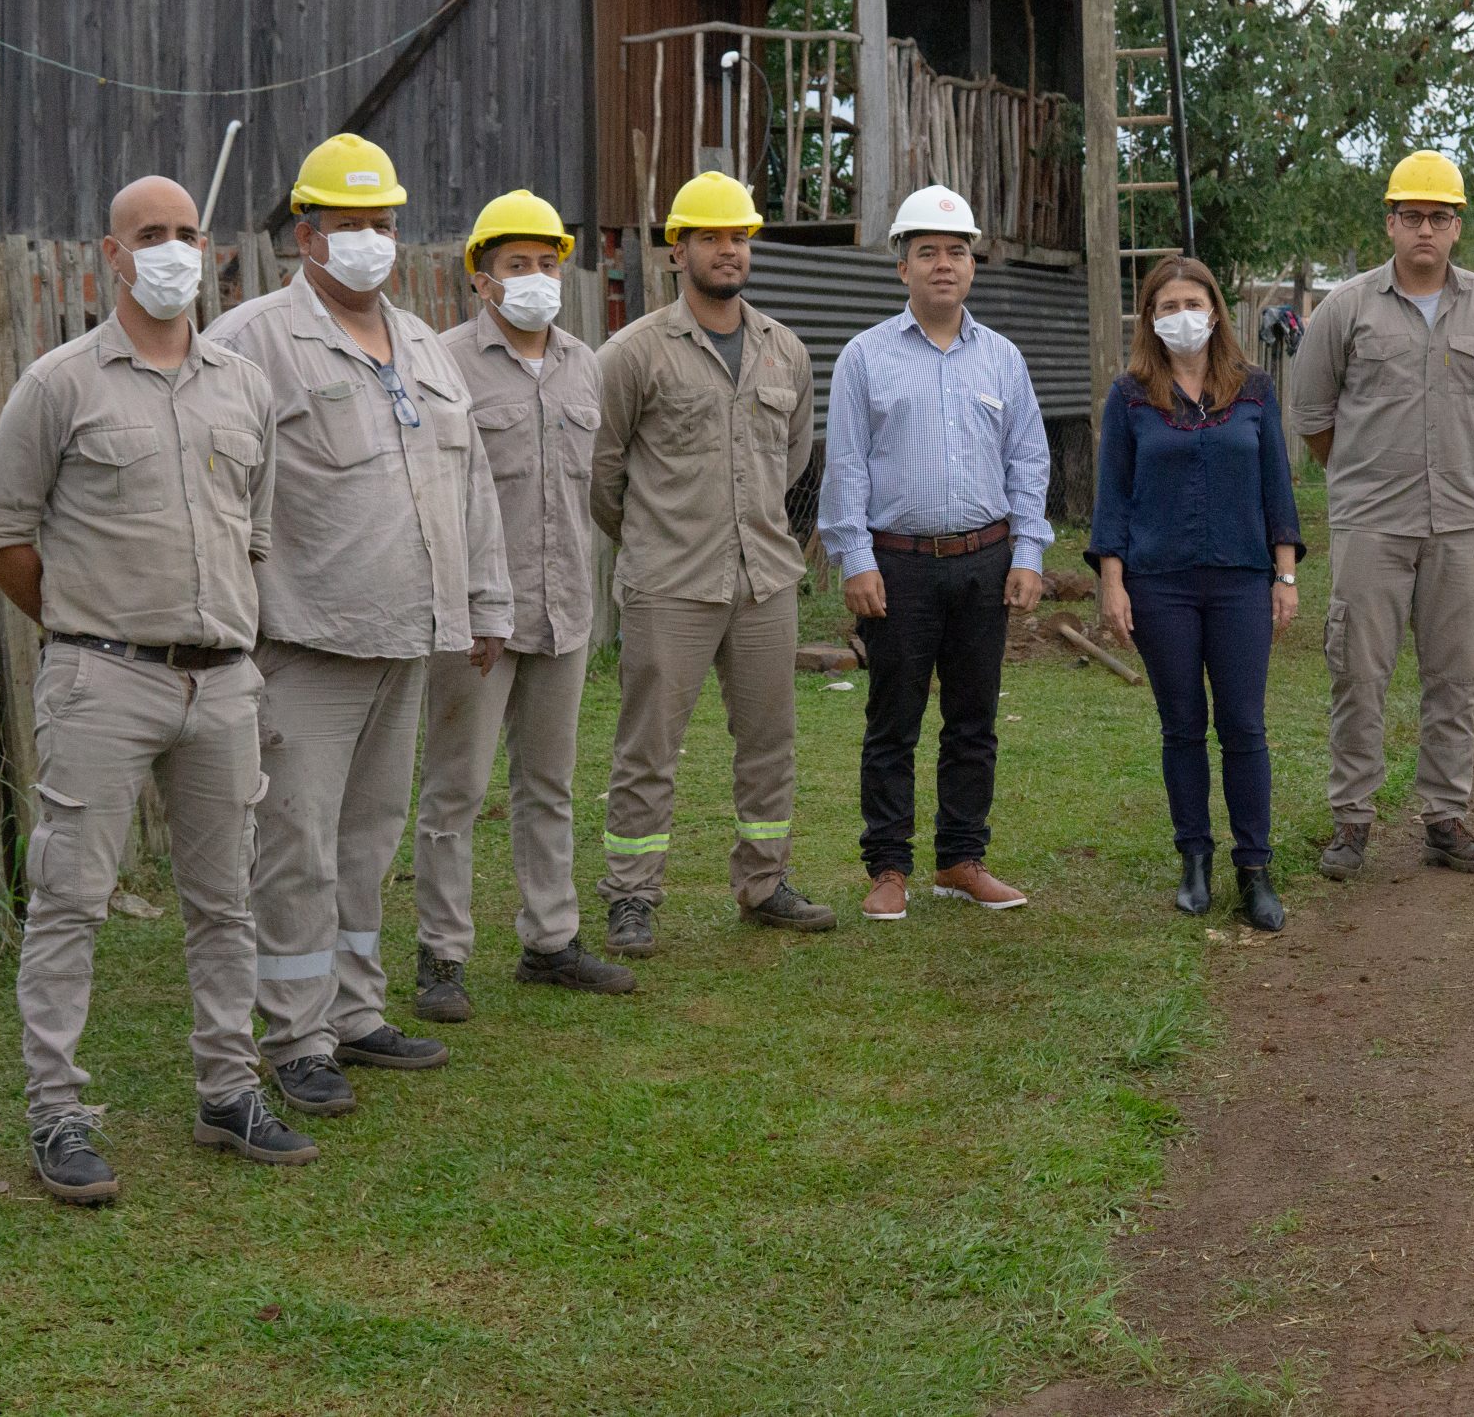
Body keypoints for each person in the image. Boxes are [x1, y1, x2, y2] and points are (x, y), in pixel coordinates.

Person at [0, 175, 315, 1202]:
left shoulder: (242, 386)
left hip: (222, 685)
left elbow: (253, 533)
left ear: (210, 251)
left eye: (186, 233)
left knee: (226, 899)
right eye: (148, 236)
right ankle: (58, 1114)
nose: (171, 250)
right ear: (110, 259)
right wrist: (84, 627)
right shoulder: (59, 385)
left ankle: (228, 1090)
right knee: (70, 901)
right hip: (101, 680)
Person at [205, 133, 513, 1117]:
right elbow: (218, 492)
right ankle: (295, 1034)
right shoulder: (253, 341)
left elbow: (469, 491)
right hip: (305, 640)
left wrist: (484, 607)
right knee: (297, 839)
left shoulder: (422, 343)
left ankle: (355, 1010)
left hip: (407, 638)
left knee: (370, 833)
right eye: (351, 226)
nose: (371, 241)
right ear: (307, 235)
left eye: (383, 223)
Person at [591, 172, 833, 951]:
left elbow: (792, 459)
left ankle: (764, 881)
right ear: (678, 249)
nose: (727, 250)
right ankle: (631, 895)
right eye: (710, 237)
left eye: (738, 237)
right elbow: (603, 472)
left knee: (769, 739)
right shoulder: (634, 354)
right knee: (648, 746)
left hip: (764, 579)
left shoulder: (784, 351)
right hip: (669, 583)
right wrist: (656, 540)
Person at [410, 191, 636, 1019]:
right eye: (517, 265)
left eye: (548, 263)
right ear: (481, 279)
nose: (536, 278)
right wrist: (460, 602)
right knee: (456, 788)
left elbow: (595, 487)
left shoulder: (584, 363)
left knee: (549, 782)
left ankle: (550, 939)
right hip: (475, 621)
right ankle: (442, 953)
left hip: (564, 609)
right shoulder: (442, 363)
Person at [1287, 150, 1474, 880]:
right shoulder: (1346, 308)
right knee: (1358, 675)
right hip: (1371, 524)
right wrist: (1370, 476)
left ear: (1458, 227)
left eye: (1440, 217)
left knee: (1455, 675)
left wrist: (1454, 467)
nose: (1425, 229)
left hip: (1461, 523)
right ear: (1390, 223)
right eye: (1412, 216)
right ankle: (1352, 822)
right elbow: (1312, 416)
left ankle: (1445, 819)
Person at [819, 184, 1051, 921]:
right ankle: (889, 866)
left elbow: (1029, 461)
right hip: (899, 566)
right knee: (894, 719)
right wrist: (854, 556)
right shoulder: (866, 358)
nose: (943, 264)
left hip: (985, 560)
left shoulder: (1003, 359)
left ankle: (960, 857)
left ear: (972, 265)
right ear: (902, 268)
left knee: (974, 717)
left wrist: (1029, 552)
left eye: (956, 251)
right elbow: (847, 464)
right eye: (927, 252)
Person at [1091, 257, 1304, 930]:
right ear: (1150, 317)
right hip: (1160, 584)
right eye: (1166, 304)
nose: (1181, 313)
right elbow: (1113, 499)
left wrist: (1287, 574)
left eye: (1192, 300)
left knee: (1243, 724)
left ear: (1215, 309)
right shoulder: (1130, 396)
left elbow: (1277, 486)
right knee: (1182, 725)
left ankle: (1255, 867)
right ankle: (1195, 859)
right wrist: (1112, 584)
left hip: (1241, 579)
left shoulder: (1255, 390)